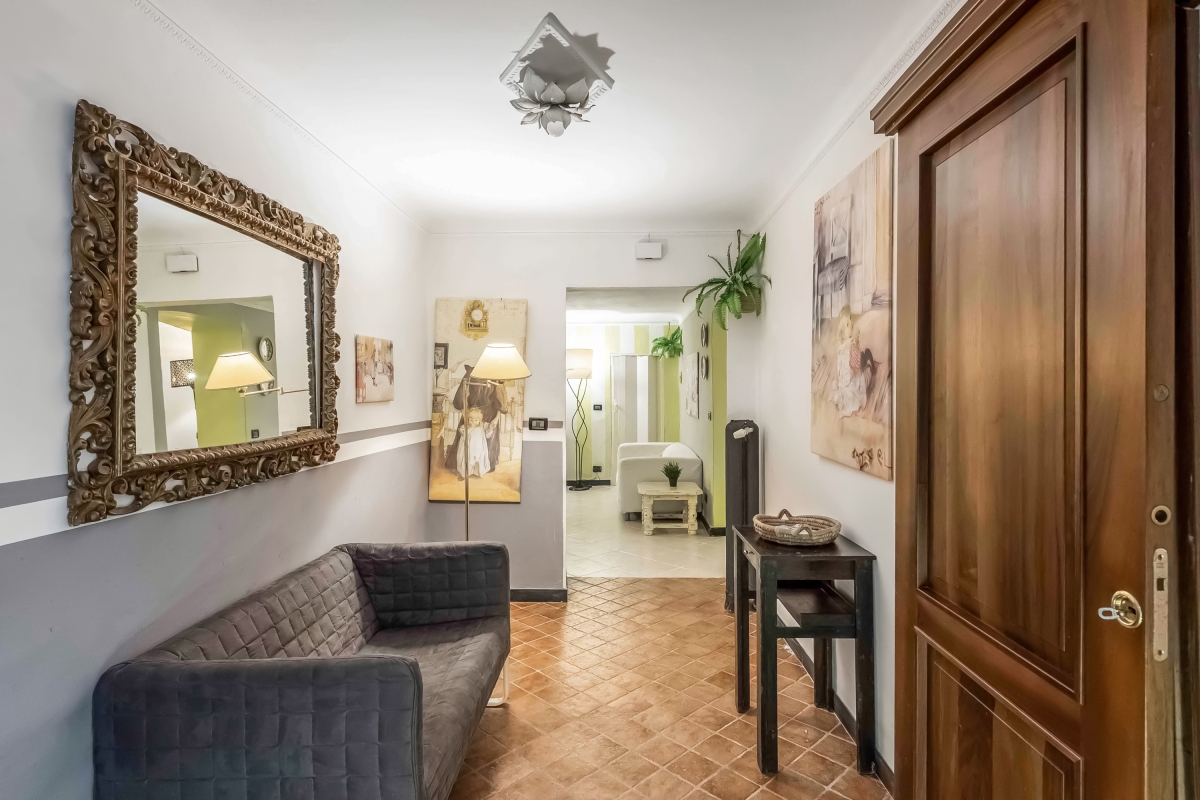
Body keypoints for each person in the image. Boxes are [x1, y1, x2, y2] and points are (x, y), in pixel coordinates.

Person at [445, 363, 510, 477]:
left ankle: (482, 467)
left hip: (490, 413)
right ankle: (465, 466)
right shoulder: (470, 374)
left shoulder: (495, 377)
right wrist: (466, 416)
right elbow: (461, 399)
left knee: (486, 442)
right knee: (466, 442)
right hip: (472, 413)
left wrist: (496, 419)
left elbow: (500, 404)